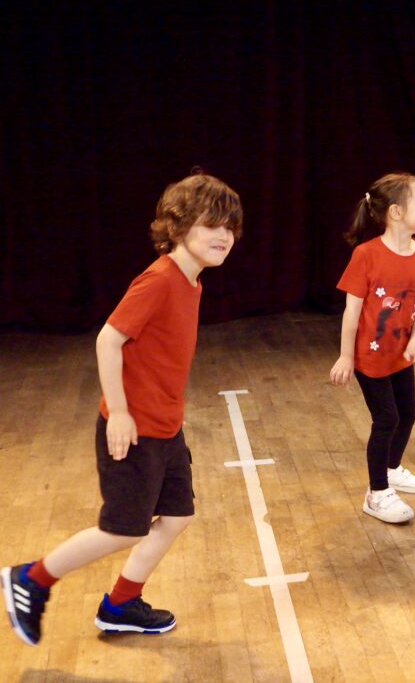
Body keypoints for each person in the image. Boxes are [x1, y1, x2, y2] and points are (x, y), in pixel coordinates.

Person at [2, 170, 243, 646]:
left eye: (230, 227)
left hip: (166, 427)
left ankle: (119, 605)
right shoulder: (159, 280)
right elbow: (108, 340)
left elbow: (158, 358)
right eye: (211, 224)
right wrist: (121, 412)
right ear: (176, 227)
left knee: (177, 516)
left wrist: (168, 410)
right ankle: (29, 579)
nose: (224, 236)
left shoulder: (192, 283)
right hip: (134, 432)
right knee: (123, 530)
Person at [329, 173, 415, 524]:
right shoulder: (366, 255)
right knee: (387, 418)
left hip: (399, 357)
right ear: (395, 212)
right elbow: (352, 311)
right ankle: (376, 493)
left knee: (407, 415)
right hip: (370, 357)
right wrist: (347, 355)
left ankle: (391, 469)